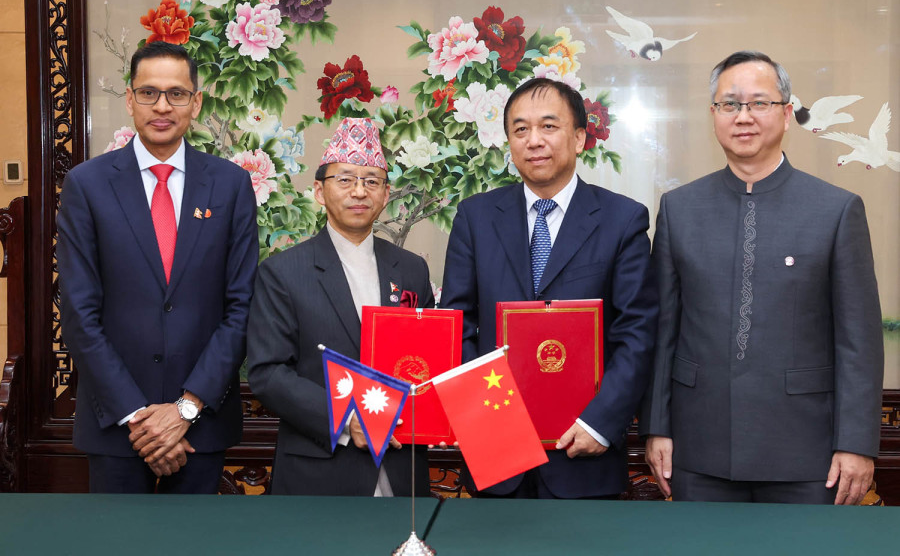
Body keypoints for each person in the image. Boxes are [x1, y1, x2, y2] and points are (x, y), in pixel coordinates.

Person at [641, 50, 884, 505]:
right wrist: (657, 426)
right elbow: (663, 330)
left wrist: (855, 442)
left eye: (760, 103)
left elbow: (859, 340)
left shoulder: (835, 210)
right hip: (698, 448)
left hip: (807, 453)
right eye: (729, 104)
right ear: (714, 115)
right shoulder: (680, 209)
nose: (743, 116)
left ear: (787, 114)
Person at [439, 77, 658, 499]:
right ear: (508, 143)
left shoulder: (622, 220)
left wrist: (600, 422)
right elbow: (458, 325)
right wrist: (489, 417)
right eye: (520, 130)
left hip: (585, 451)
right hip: (496, 452)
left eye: (549, 126)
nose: (534, 140)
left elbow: (637, 333)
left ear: (578, 138)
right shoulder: (475, 218)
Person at [57, 42, 258, 493]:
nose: (162, 106)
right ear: (129, 100)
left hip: (201, 427)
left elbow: (241, 307)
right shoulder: (87, 185)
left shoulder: (230, 184)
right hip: (115, 425)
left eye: (177, 93)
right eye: (148, 93)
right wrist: (141, 420)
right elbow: (78, 313)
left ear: (196, 102)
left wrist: (185, 410)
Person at [246, 117, 434, 496]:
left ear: (385, 193)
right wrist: (348, 419)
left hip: (402, 465)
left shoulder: (412, 269)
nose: (359, 191)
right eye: (345, 179)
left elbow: (428, 361)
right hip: (320, 471)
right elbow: (267, 373)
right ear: (319, 190)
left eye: (371, 181)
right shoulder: (282, 272)